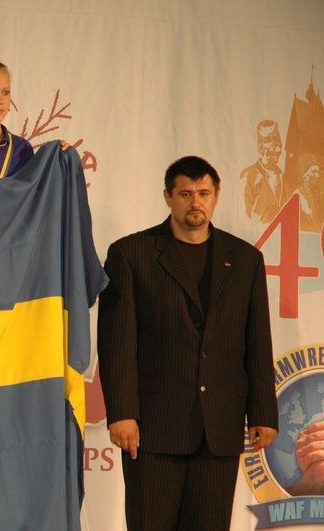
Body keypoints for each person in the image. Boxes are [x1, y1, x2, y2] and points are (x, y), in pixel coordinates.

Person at [97, 155, 278, 531]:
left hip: (219, 430)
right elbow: (117, 343)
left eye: (203, 193)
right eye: (185, 194)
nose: (195, 202)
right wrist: (122, 412)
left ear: (216, 196)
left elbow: (257, 341)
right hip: (152, 430)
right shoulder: (131, 254)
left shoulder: (245, 259)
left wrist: (263, 412)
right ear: (168, 197)